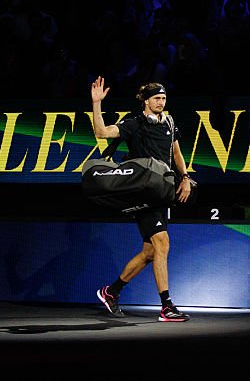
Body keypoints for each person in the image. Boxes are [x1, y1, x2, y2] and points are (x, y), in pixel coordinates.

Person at [90, 77, 194, 322]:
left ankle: (111, 291)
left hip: (163, 192)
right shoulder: (134, 124)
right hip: (143, 193)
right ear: (146, 101)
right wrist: (96, 103)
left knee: (150, 252)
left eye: (164, 98)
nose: (161, 102)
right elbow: (102, 132)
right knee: (162, 243)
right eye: (157, 98)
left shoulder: (169, 122)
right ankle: (167, 306)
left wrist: (185, 177)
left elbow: (176, 151)